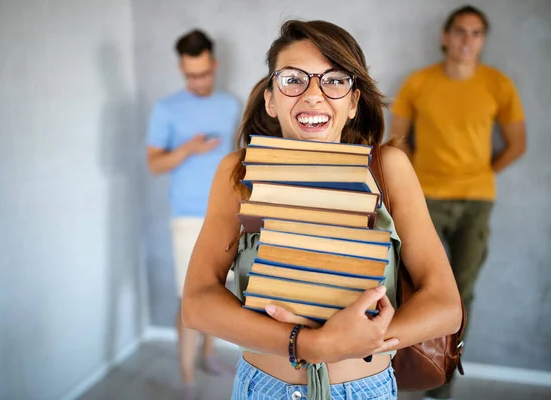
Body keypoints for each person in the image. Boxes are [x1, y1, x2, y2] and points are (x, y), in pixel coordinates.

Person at [182, 20, 462, 400]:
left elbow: (446, 306)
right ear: (270, 98)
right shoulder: (238, 172)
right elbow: (198, 303)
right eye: (293, 79)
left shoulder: (389, 168)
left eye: (333, 80)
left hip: (366, 389)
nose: (314, 95)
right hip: (263, 389)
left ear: (352, 102)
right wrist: (311, 345)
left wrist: (359, 340)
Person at [389, 5, 526, 400]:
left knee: (460, 293)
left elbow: (517, 145)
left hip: (476, 201)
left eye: (477, 33)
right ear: (446, 36)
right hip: (425, 198)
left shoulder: (498, 84)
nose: (468, 40)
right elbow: (397, 144)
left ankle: (441, 384)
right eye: (461, 32)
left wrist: (480, 174)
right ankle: (403, 370)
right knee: (411, 288)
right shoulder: (419, 83)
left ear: (483, 40)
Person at [146, 29, 240, 398]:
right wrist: (188, 149)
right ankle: (187, 378)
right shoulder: (166, 109)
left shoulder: (232, 104)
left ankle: (209, 354)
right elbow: (154, 164)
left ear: (214, 65)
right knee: (191, 300)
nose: (198, 82)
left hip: (227, 215)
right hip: (187, 217)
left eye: (203, 74)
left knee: (218, 294)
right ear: (181, 69)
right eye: (190, 75)